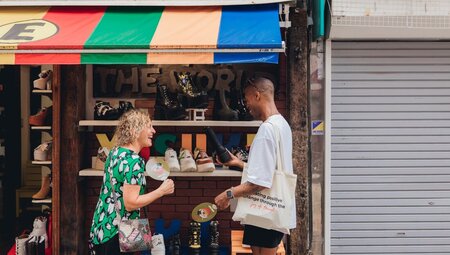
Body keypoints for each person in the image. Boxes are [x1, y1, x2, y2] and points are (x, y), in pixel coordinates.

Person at [214, 77, 296, 255]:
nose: (246, 105)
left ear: (257, 95)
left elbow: (260, 183)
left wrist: (228, 194)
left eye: (247, 99)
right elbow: (271, 171)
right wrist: (238, 163)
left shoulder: (267, 130)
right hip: (273, 207)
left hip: (265, 207)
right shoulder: (282, 124)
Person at [89, 110, 175, 255]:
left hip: (101, 229)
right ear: (136, 130)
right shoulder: (134, 161)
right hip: (118, 235)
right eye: (149, 126)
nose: (153, 131)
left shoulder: (115, 152)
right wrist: (162, 191)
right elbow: (130, 203)